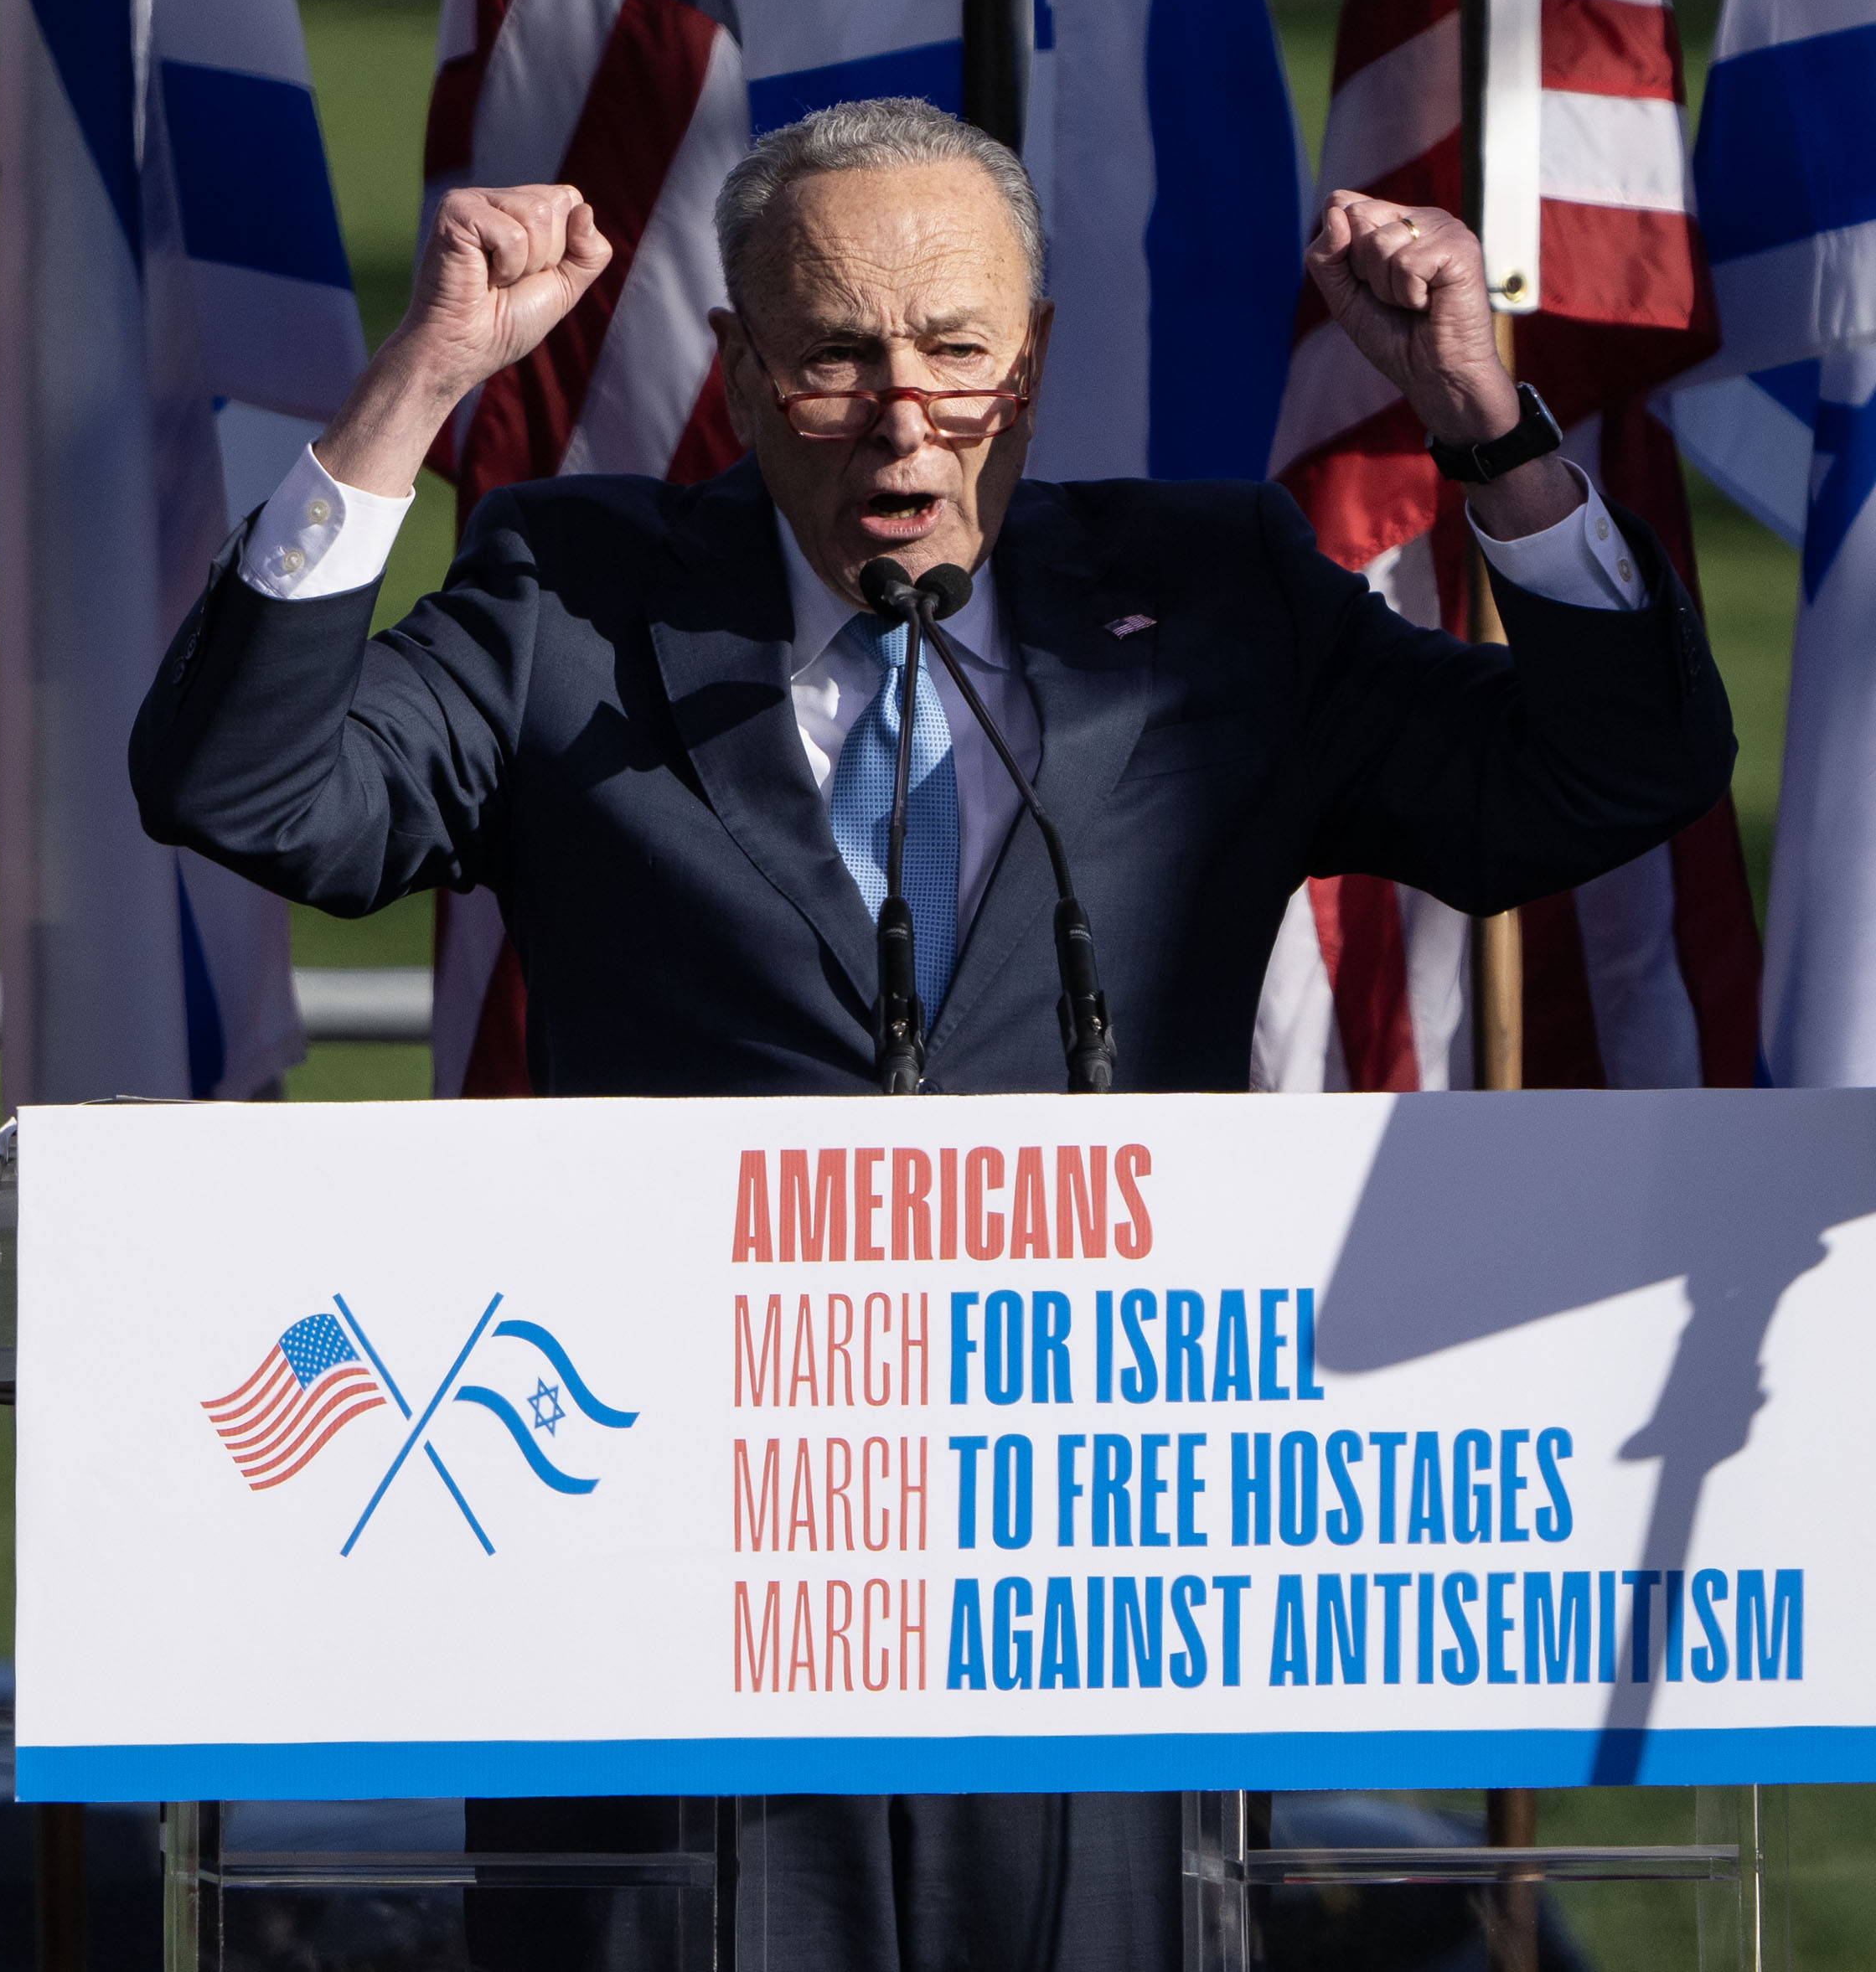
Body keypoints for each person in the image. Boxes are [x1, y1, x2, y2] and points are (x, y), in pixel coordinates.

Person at [128, 99, 1735, 1969]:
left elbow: (1613, 770)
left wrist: (1483, 421)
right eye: (833, 359)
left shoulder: (1206, 604)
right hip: (670, 1616)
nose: (905, 415)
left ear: (1030, 354)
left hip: (1082, 1621)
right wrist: (412, 390)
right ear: (734, 369)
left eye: (956, 350)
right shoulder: (571, 599)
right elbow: (247, 784)